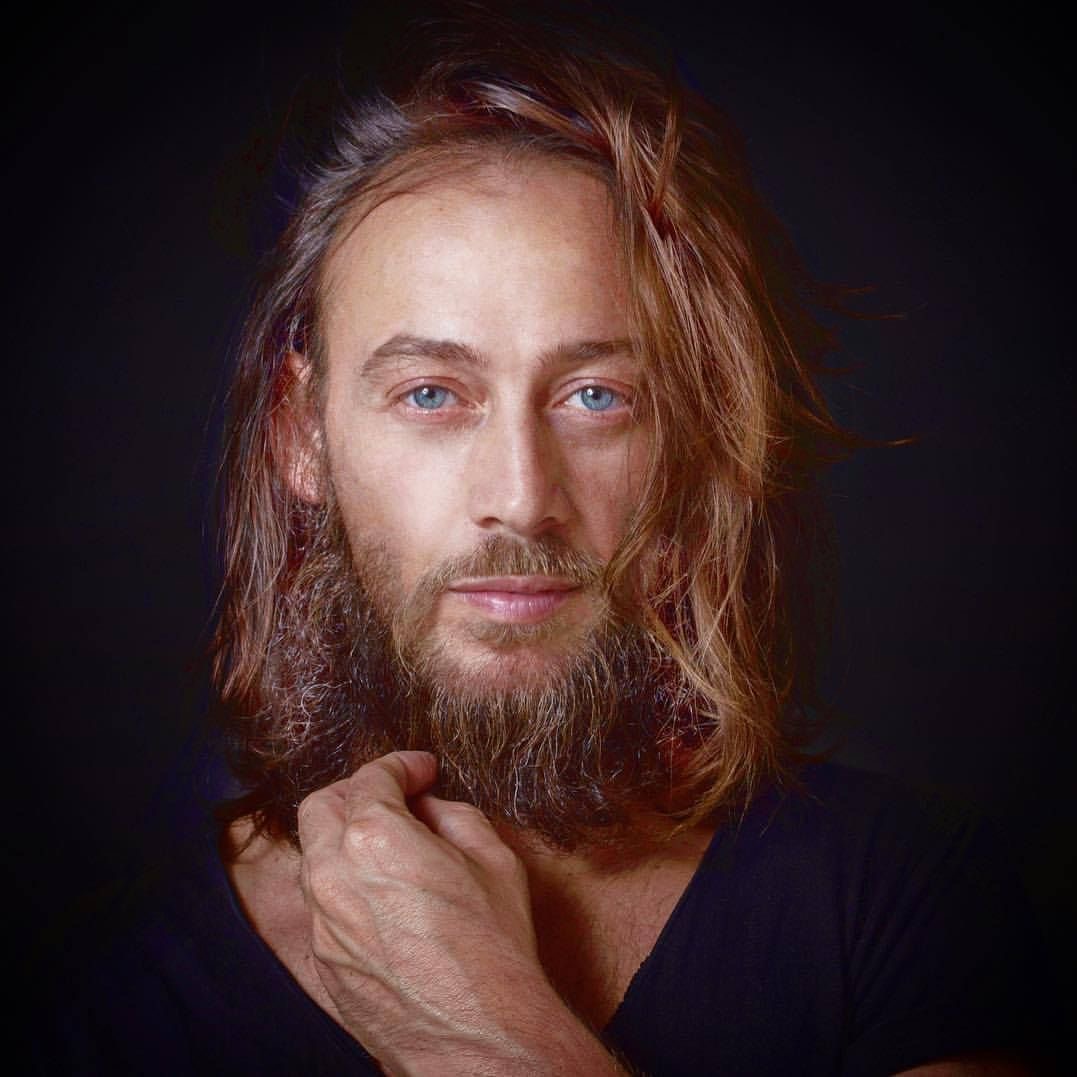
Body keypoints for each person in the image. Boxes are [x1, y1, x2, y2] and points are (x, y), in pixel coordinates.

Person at [48, 4, 1050, 1074]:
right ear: (304, 435)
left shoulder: (910, 902)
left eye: (595, 396)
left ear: (695, 438)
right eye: (431, 393)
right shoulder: (94, 985)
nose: (523, 500)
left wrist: (484, 1031)